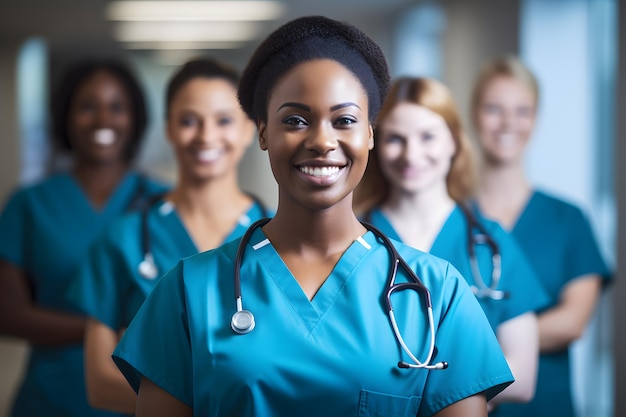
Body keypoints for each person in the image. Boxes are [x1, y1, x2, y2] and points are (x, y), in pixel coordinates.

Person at [112, 16, 514, 417]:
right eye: (295, 120)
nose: (322, 140)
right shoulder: (188, 290)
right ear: (264, 132)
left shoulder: (438, 292)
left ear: (370, 134)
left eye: (345, 120)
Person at [67, 57, 268, 415]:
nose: (206, 136)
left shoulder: (280, 238)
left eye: (224, 120)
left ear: (250, 129)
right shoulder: (122, 240)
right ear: (170, 129)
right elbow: (100, 384)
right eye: (189, 121)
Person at [354, 76, 551, 414]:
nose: (411, 154)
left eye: (428, 136)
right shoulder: (352, 240)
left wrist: (407, 398)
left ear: (454, 142)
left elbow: (523, 374)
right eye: (395, 139)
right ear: (375, 144)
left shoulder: (492, 244)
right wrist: (462, 389)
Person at [0, 59, 167, 417]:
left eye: (117, 107)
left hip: (142, 399)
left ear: (135, 117)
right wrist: (106, 330)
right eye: (87, 107)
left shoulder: (165, 205)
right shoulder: (29, 205)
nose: (102, 119)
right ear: (65, 116)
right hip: (51, 399)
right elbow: (7, 313)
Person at [470, 55, 611, 417]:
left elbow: (572, 322)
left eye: (522, 111)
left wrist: (472, 354)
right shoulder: (450, 215)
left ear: (535, 119)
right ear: (473, 115)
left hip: (543, 405)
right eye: (494, 109)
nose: (508, 123)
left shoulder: (568, 219)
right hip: (462, 405)